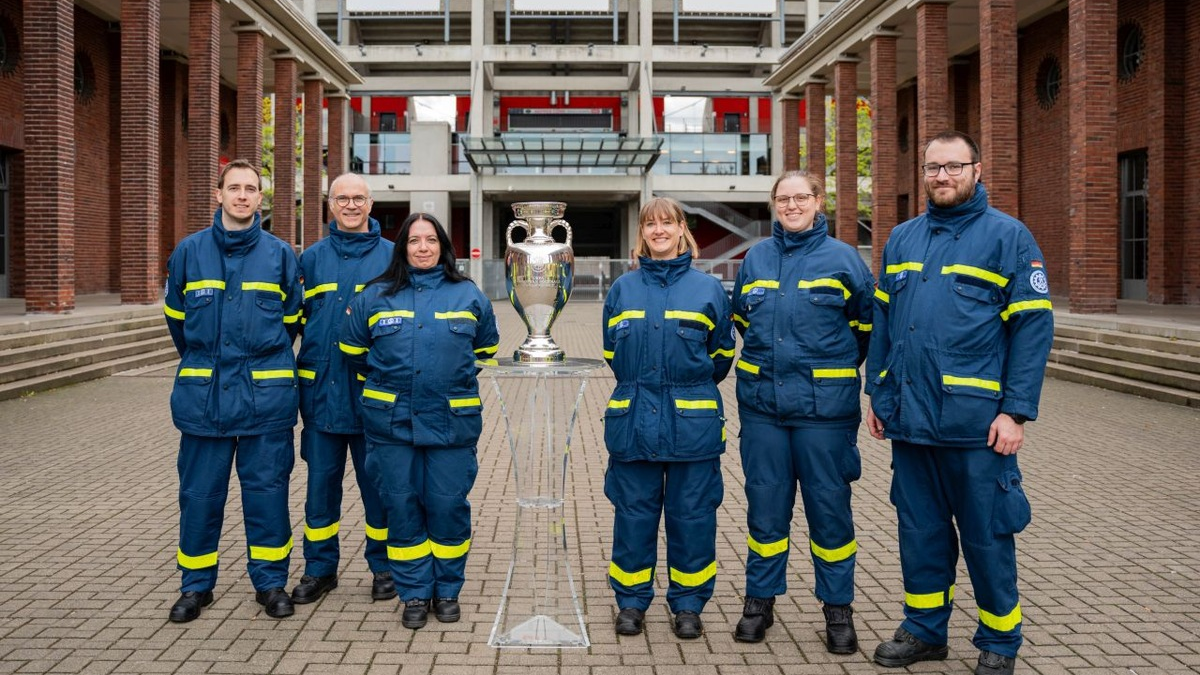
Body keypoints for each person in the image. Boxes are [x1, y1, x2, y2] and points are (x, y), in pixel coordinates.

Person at [865, 131, 1053, 675]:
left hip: (977, 425)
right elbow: (883, 323)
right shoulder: (901, 239)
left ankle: (1000, 641)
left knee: (987, 536)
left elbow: (1032, 331)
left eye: (953, 166)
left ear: (976, 170)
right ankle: (925, 631)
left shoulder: (1008, 237)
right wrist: (878, 393)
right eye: (933, 167)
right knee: (919, 533)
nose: (942, 176)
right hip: (911, 421)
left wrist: (1015, 412)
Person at [730, 171, 875, 650]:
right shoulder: (756, 258)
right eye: (783, 199)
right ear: (774, 204)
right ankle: (759, 602)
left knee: (830, 514)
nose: (792, 206)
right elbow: (742, 319)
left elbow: (864, 329)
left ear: (818, 201)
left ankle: (838, 611)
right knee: (765, 514)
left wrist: (825, 374)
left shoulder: (844, 259)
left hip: (824, 415)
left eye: (801, 197)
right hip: (763, 411)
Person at [339, 212, 500, 629]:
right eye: (414, 240)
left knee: (448, 506)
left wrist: (448, 379)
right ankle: (413, 593)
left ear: (443, 246)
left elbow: (486, 350)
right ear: (403, 248)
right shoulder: (376, 296)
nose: (423, 247)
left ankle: (446, 590)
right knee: (402, 507)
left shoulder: (468, 295)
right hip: (391, 424)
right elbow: (353, 350)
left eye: (431, 240)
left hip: (451, 423)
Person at [162, 159, 303, 623]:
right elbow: (178, 323)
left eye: (251, 189)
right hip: (205, 400)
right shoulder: (189, 252)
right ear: (219, 194)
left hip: (266, 400)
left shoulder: (281, 255)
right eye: (234, 188)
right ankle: (195, 587)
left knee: (267, 496)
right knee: (199, 497)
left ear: (261, 198)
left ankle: (270, 584)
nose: (243, 196)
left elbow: (290, 322)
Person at [601, 197, 735, 639]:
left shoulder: (709, 289)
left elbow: (721, 357)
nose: (659, 230)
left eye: (667, 223)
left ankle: (689, 605)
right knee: (633, 516)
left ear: (682, 229)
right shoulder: (622, 289)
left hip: (691, 425)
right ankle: (631, 603)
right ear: (642, 232)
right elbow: (612, 354)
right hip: (634, 420)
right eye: (650, 224)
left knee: (692, 518)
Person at [290, 174, 395, 606]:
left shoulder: (393, 258)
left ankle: (385, 568)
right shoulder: (310, 260)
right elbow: (294, 323)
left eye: (358, 198)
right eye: (342, 198)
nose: (351, 205)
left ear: (370, 204)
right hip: (321, 397)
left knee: (380, 490)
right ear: (330, 204)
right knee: (320, 492)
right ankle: (319, 570)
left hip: (374, 399)